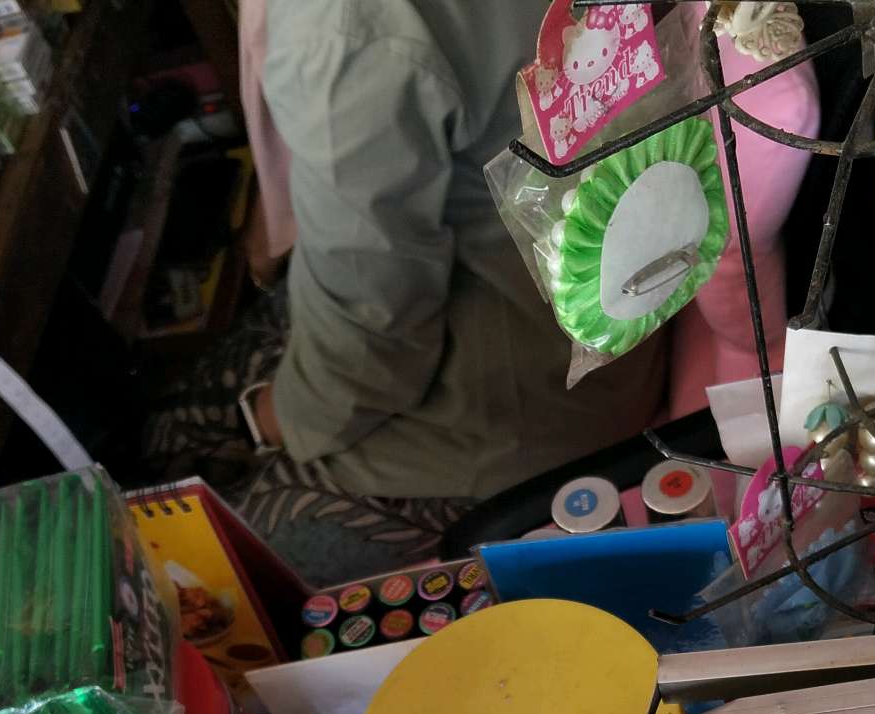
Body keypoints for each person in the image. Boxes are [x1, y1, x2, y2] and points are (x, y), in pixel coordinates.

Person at [150, 0, 666, 583]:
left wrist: (268, 422)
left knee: (194, 571)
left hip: (523, 413)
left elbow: (371, 343)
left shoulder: (342, 27)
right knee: (171, 429)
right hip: (625, 296)